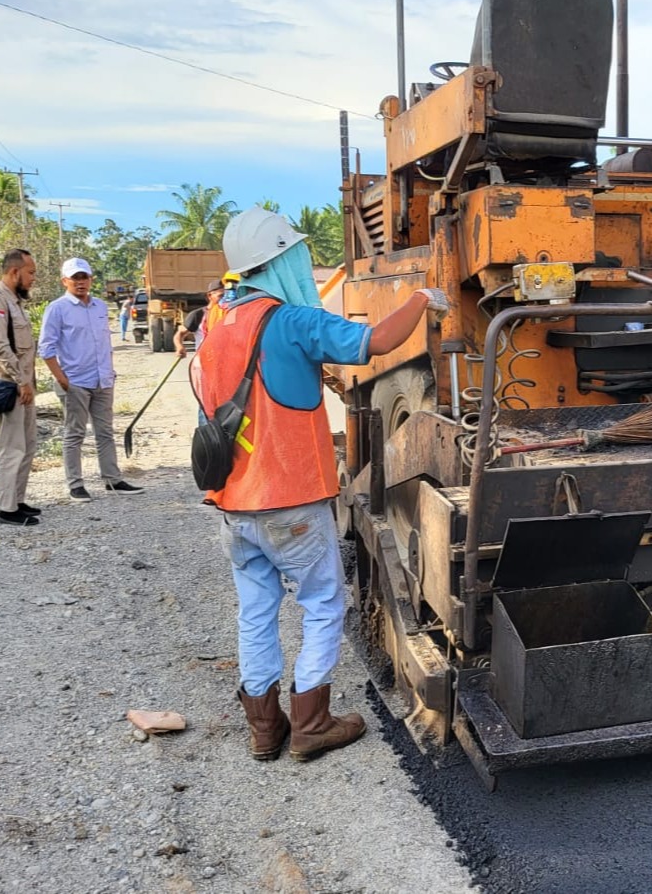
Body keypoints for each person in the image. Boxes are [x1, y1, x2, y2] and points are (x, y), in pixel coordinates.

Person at [194, 206, 447, 762]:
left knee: (256, 610)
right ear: (280, 261)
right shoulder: (290, 322)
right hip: (293, 503)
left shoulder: (212, 322)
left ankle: (265, 729)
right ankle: (311, 724)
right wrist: (422, 300)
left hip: (235, 505)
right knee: (323, 603)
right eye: (297, 257)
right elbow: (377, 340)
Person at [38, 257, 144, 503]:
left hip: (103, 379)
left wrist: (110, 372)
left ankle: (112, 479)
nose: (80, 282)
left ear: (91, 279)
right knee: (74, 434)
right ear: (65, 281)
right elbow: (46, 349)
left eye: (84, 277)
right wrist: (62, 380)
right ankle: (75, 484)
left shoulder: (100, 307)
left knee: (105, 432)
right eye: (75, 278)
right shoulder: (57, 308)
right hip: (74, 381)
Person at [0, 249, 40, 526]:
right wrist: (21, 381)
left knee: (27, 445)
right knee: (11, 448)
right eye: (30, 273)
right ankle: (6, 508)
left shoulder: (14, 302)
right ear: (15, 272)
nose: (33, 279)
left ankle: (17, 499)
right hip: (10, 386)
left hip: (23, 387)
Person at [174, 277, 225, 359]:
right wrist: (180, 347)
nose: (225, 299)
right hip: (204, 359)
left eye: (227, 295)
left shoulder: (231, 313)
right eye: (221, 296)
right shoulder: (198, 315)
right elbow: (179, 334)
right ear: (210, 296)